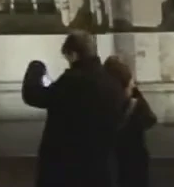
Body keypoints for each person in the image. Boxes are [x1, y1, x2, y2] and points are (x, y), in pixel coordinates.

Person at [21, 30, 127, 187]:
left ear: (74, 54)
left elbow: (34, 96)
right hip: (100, 165)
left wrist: (36, 68)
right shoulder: (111, 83)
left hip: (66, 166)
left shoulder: (71, 81)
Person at [104, 55, 157, 187]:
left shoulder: (104, 101)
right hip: (134, 157)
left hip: (110, 157)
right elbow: (150, 119)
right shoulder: (134, 103)